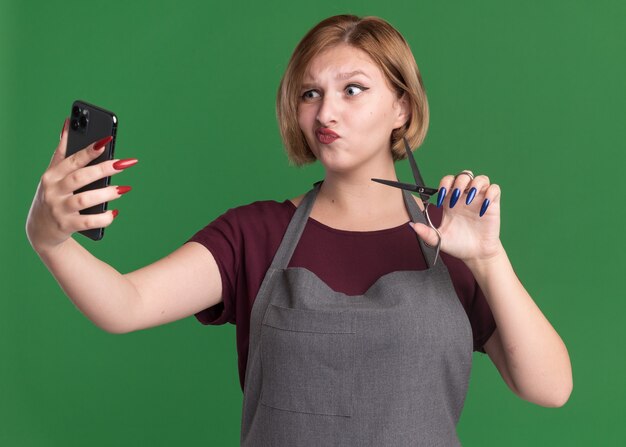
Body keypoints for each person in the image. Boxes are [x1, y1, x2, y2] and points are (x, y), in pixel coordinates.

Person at [26, 14, 572, 446]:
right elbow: (126, 304)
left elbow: (550, 389)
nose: (325, 111)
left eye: (352, 89)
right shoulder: (255, 234)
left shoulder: (452, 239)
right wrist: (48, 237)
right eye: (310, 93)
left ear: (401, 106)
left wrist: (488, 257)